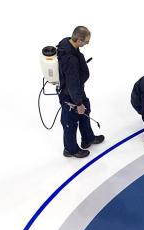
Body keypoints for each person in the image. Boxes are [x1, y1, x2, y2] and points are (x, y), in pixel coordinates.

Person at [56, 26, 104, 158]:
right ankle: (70, 149)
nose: (87, 43)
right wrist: (78, 102)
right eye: (86, 41)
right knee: (70, 122)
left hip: (77, 89)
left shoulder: (68, 43)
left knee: (85, 110)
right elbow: (71, 83)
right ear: (78, 40)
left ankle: (87, 138)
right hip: (70, 93)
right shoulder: (69, 59)